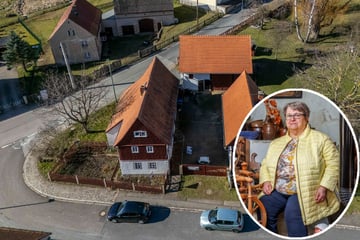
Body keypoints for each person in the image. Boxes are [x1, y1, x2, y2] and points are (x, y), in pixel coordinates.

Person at [259, 101, 340, 237]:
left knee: (293, 213)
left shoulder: (321, 140)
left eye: (297, 115)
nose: (292, 119)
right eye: (289, 115)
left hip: (305, 191)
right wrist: (266, 180)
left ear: (306, 118)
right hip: (278, 189)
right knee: (264, 207)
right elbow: (265, 164)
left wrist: (323, 186)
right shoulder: (276, 143)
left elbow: (334, 164)